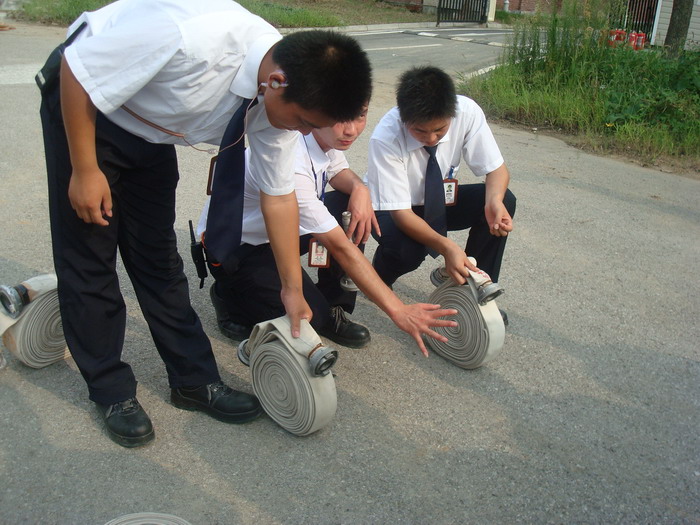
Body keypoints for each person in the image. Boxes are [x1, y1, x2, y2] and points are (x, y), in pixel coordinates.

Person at [39, 0, 372, 447]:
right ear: (275, 83)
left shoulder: (286, 93)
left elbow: (278, 199)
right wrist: (84, 169)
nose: (307, 134)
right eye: (305, 123)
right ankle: (111, 390)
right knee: (91, 258)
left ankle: (193, 381)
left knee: (157, 257)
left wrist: (291, 289)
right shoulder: (187, 38)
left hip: (152, 129)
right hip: (87, 104)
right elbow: (78, 71)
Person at [199, 107, 457, 356]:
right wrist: (398, 310)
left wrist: (360, 188)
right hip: (238, 248)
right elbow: (340, 247)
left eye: (360, 116)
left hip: (280, 229)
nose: (351, 130)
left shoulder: (320, 137)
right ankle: (228, 295)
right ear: (315, 112)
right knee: (311, 318)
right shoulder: (290, 162)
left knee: (350, 205)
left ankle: (335, 303)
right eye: (339, 119)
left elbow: (337, 171)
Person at [365, 66, 516, 320]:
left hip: (437, 201)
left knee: (504, 200)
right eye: (420, 131)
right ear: (403, 118)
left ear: (451, 114)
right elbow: (401, 214)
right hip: (393, 208)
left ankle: (474, 288)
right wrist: (448, 248)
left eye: (440, 130)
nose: (432, 138)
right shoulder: (385, 137)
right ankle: (379, 278)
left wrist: (494, 202)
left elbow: (497, 170)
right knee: (408, 251)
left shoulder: (466, 112)